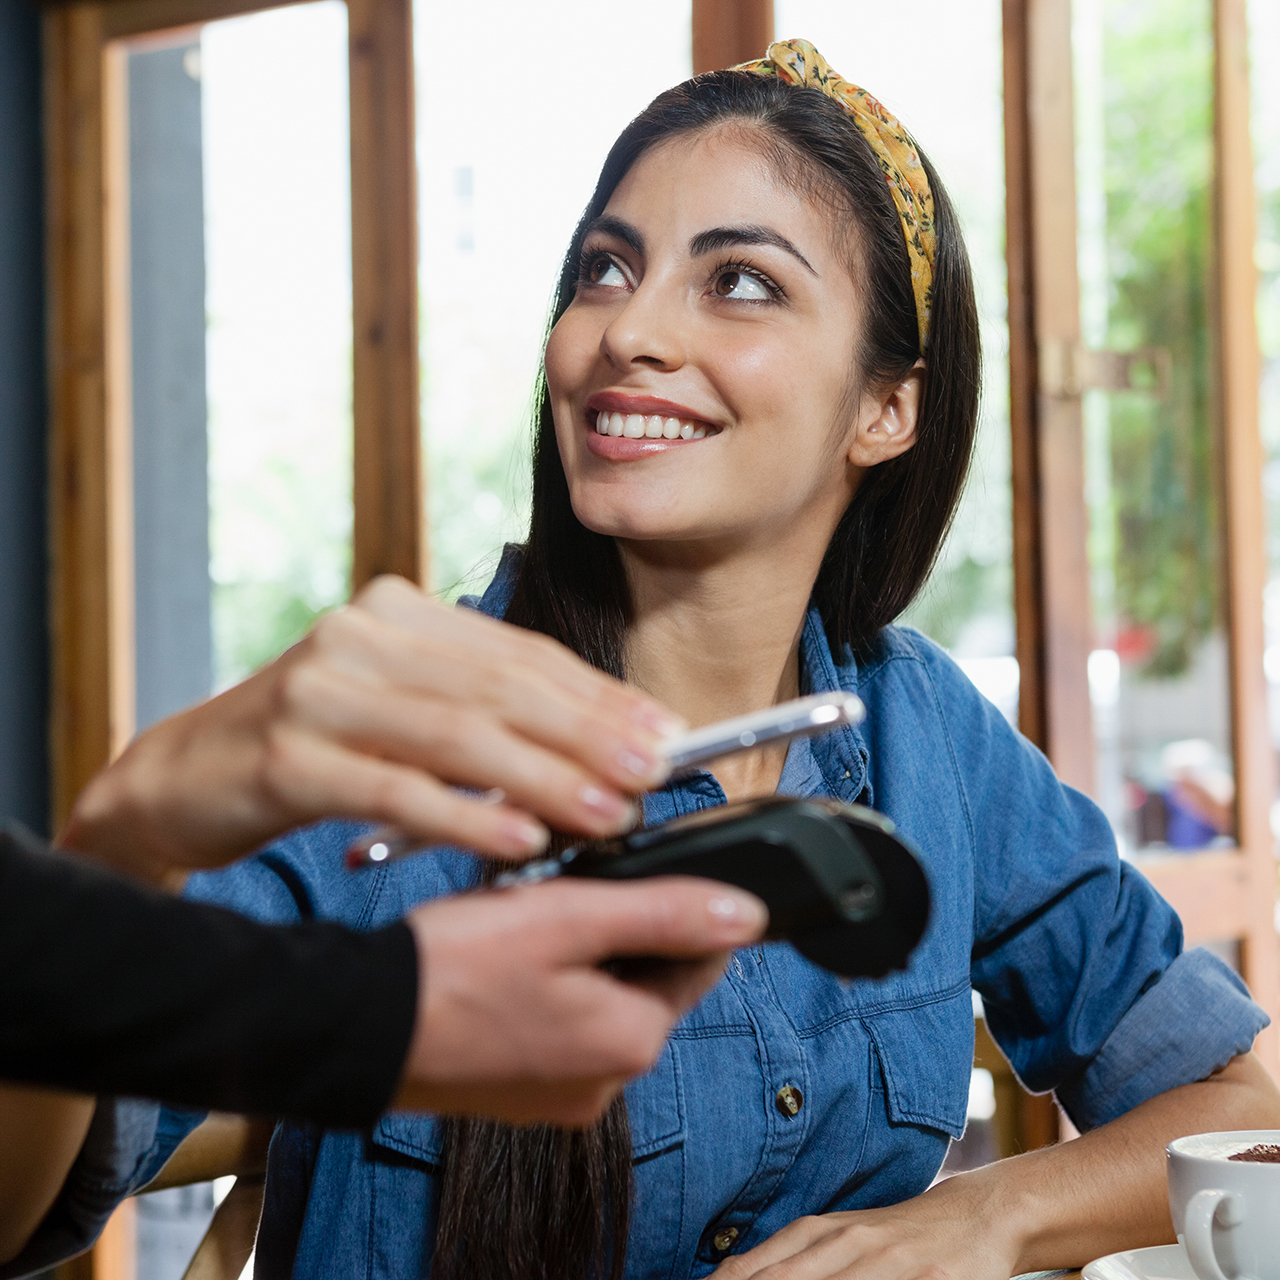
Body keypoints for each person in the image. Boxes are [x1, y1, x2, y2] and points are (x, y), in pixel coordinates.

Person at [7, 38, 1280, 1280]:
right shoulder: (397, 737)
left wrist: (980, 1215)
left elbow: (1233, 1101)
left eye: (737, 281)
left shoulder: (925, 733)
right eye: (604, 270)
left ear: (886, 406)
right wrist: (123, 843)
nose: (626, 332)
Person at [0, 576, 766, 1272]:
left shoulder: (890, 717)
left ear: (886, 417)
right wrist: (129, 842)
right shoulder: (369, 801)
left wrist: (896, 1227)